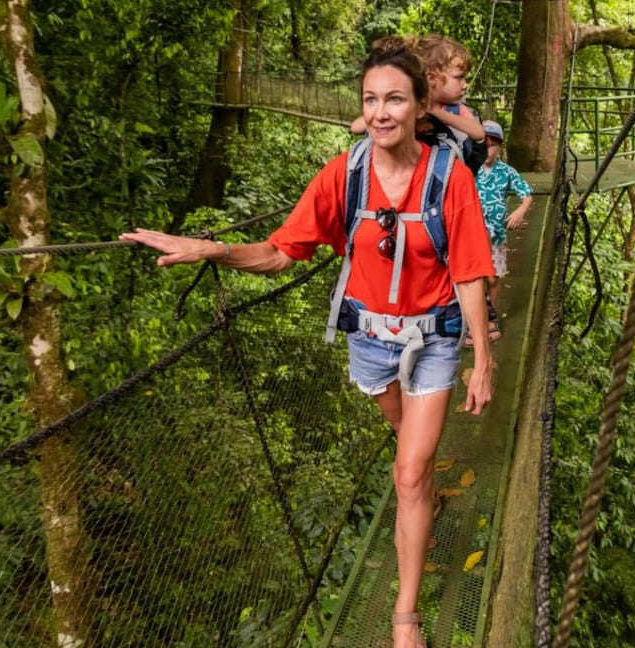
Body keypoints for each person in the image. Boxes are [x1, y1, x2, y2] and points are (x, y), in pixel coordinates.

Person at [121, 37, 495, 648]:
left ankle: (406, 617)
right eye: (371, 99)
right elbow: (277, 252)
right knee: (413, 465)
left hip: (434, 338)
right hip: (371, 342)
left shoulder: (448, 177)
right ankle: (423, 498)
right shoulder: (341, 177)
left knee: (408, 470)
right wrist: (212, 249)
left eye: (395, 99)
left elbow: (471, 271)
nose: (380, 113)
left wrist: (484, 358)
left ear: (420, 105)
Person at [352, 34, 486, 172]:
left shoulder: (456, 109)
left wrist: (437, 114)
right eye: (459, 78)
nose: (465, 85)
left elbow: (478, 133)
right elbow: (356, 128)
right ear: (432, 78)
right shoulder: (405, 108)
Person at [474, 120, 534, 342]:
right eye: (484, 144)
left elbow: (526, 194)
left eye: (492, 145)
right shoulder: (471, 169)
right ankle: (480, 319)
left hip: (497, 235)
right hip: (474, 235)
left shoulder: (506, 172)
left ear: (500, 146)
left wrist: (520, 211)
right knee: (479, 276)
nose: (487, 150)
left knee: (493, 278)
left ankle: (491, 315)